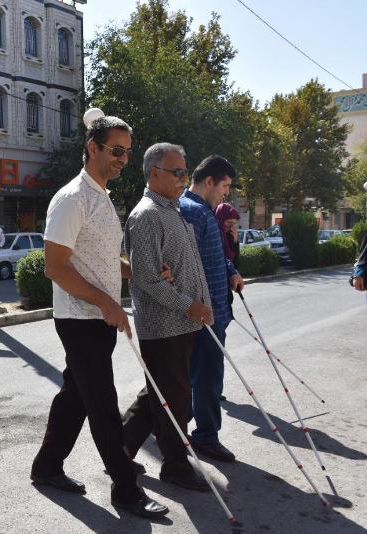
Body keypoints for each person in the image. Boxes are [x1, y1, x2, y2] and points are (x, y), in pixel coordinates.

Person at [30, 115, 168, 520]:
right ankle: (126, 489)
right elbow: (55, 267)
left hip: (97, 318)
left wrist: (140, 272)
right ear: (93, 148)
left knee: (74, 396)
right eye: (116, 150)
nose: (123, 159)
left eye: (127, 151)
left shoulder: (101, 196)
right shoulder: (73, 198)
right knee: (103, 404)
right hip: (79, 318)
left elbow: (102, 261)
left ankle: (47, 466)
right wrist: (107, 303)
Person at [121, 142, 213, 492]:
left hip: (183, 322)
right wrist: (189, 305)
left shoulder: (172, 210)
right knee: (173, 399)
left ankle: (119, 449)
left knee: (157, 393)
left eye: (184, 171)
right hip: (163, 326)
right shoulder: (145, 215)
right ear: (154, 173)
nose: (183, 178)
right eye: (177, 172)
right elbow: (146, 278)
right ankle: (174, 465)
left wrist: (201, 302)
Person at [179, 156, 244, 462]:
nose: (226, 193)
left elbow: (212, 255)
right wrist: (203, 307)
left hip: (212, 307)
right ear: (209, 182)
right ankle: (204, 436)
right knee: (206, 376)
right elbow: (190, 267)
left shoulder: (204, 211)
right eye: (225, 186)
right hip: (204, 312)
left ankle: (178, 429)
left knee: (197, 374)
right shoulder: (193, 212)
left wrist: (230, 268)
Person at [215, 202, 240, 269]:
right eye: (229, 222)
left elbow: (236, 264)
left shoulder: (230, 235)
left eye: (234, 223)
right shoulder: (214, 235)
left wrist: (235, 242)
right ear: (220, 219)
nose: (231, 226)